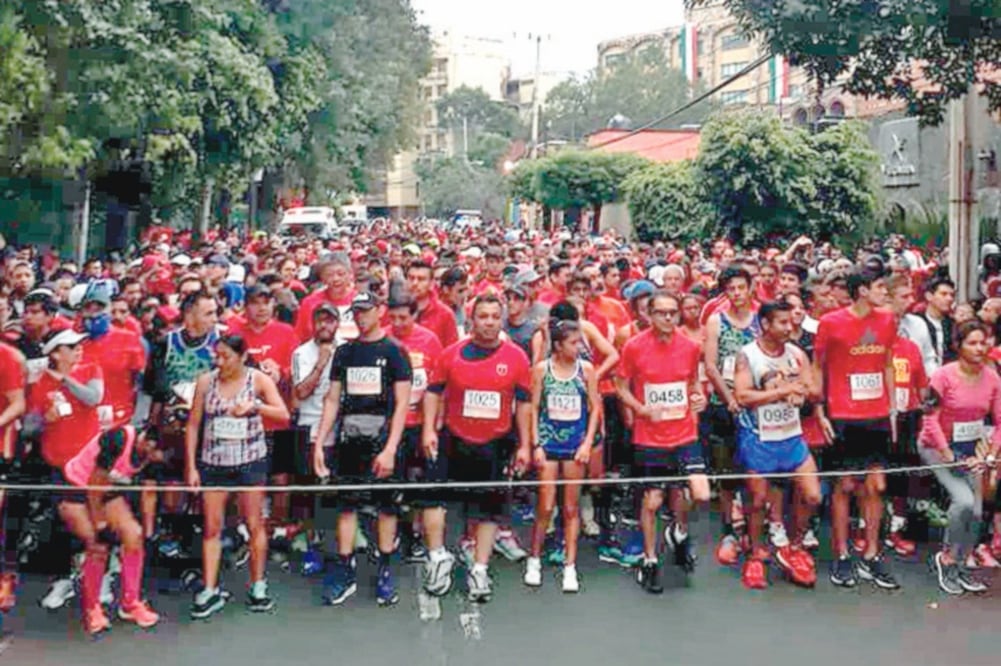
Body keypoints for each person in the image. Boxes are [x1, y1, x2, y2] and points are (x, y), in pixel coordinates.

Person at [27, 329, 159, 635]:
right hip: (66, 474)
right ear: (56, 352)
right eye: (72, 346)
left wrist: (64, 379)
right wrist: (43, 420)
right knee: (95, 543)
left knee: (133, 534)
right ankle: (92, 608)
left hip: (98, 467)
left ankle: (130, 602)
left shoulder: (89, 369)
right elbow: (29, 428)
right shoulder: (39, 383)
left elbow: (93, 396)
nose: (79, 349)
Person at [420, 294, 532, 604]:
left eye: (495, 317)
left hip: (495, 443)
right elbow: (433, 391)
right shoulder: (451, 354)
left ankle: (480, 569)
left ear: (502, 319)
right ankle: (438, 557)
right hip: (453, 438)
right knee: (435, 501)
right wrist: (429, 428)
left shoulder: (517, 357)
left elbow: (524, 403)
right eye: (483, 316)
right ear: (472, 320)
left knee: (489, 509)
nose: (490, 322)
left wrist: (524, 444)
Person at [313, 292, 412, 607]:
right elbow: (332, 398)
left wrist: (391, 449)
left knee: (386, 508)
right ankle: (345, 570)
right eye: (355, 312)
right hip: (349, 439)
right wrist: (319, 442)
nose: (360, 317)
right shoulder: (345, 352)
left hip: (382, 437)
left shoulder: (396, 352)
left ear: (380, 311)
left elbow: (401, 405)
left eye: (366, 311)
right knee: (346, 506)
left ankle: (384, 569)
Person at [185, 333, 289, 619]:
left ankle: (258, 584)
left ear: (242, 357)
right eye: (216, 356)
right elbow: (193, 424)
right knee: (212, 527)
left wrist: (256, 406)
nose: (220, 362)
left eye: (226, 357)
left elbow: (283, 414)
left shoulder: (257, 380)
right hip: (213, 462)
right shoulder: (206, 382)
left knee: (254, 523)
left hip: (249, 462)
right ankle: (209, 587)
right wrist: (191, 466)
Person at [615, 291, 709, 594]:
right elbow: (620, 386)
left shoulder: (692, 347)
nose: (668, 318)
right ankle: (650, 559)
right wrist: (640, 409)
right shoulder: (633, 347)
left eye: (673, 312)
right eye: (661, 313)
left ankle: (678, 532)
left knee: (700, 493)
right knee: (653, 501)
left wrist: (699, 398)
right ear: (649, 315)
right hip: (650, 437)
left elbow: (693, 382)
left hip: (684, 433)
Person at [814, 268, 900, 590]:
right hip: (843, 415)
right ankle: (842, 553)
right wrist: (820, 409)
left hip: (877, 414)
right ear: (862, 291)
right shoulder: (832, 322)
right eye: (880, 287)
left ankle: (873, 553)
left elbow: (888, 362)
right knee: (846, 485)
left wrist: (892, 409)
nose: (885, 293)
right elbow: (817, 366)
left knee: (876, 486)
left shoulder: (888, 320)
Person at [733, 301, 820, 589]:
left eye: (790, 322)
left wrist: (802, 396)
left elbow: (812, 389)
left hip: (792, 437)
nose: (789, 327)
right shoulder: (748, 355)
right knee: (757, 502)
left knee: (812, 496)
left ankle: (794, 547)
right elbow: (743, 396)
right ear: (766, 325)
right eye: (782, 322)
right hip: (759, 438)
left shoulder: (797, 353)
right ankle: (756, 552)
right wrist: (783, 391)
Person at [920, 320, 1001, 595]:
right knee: (963, 501)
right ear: (958, 346)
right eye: (972, 343)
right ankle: (946, 559)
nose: (980, 348)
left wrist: (990, 454)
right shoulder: (942, 376)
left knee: (977, 511)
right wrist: (949, 454)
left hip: (973, 450)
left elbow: (1000, 422)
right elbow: (929, 422)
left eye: (983, 342)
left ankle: (962, 563)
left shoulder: (993, 378)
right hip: (938, 447)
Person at [524, 319, 600, 593]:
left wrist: (587, 444)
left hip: (574, 447)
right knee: (545, 506)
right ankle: (534, 558)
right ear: (557, 345)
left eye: (580, 342)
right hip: (548, 445)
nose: (579, 347)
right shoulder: (542, 370)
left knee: (571, 508)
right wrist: (536, 444)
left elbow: (595, 409)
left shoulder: (586, 371)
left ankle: (570, 565)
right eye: (574, 342)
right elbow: (533, 408)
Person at [704, 267, 760, 565]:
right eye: (731, 289)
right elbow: (711, 366)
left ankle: (753, 531)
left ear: (751, 288)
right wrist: (729, 399)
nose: (737, 294)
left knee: (753, 474)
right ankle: (728, 530)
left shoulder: (762, 320)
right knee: (727, 474)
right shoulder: (716, 321)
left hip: (756, 406)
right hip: (723, 404)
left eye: (741, 287)